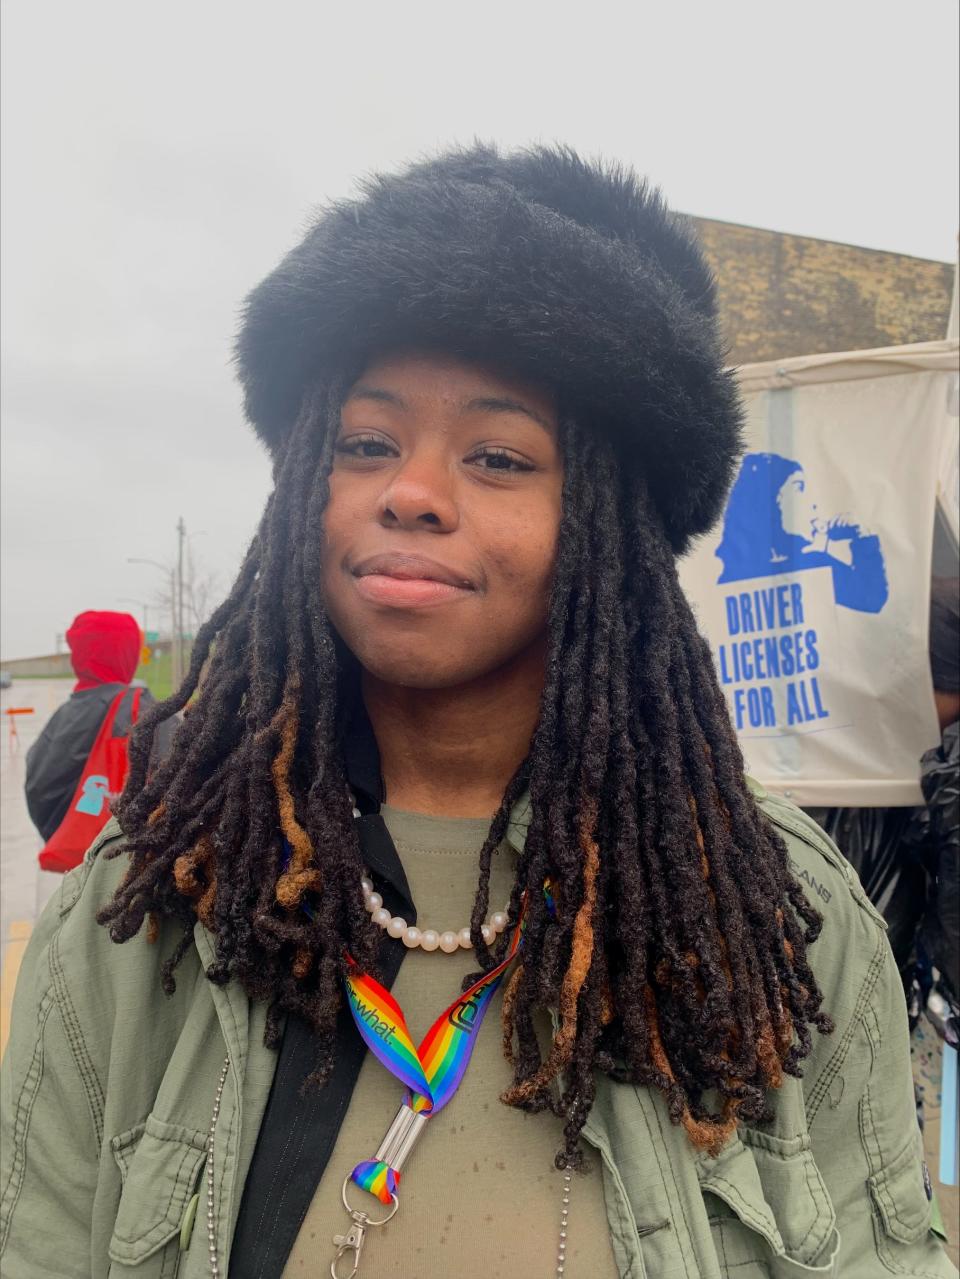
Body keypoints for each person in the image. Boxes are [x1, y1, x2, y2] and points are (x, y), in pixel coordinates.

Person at [1, 145, 953, 1278]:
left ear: (612, 532)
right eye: (366, 443)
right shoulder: (146, 899)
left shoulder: (777, 912)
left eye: (498, 455)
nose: (409, 491)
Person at [25, 612, 175, 871]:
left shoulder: (62, 715)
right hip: (130, 869)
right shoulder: (144, 711)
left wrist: (70, 835)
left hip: (77, 865)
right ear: (125, 653)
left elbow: (38, 789)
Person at [716, 450, 889, 613]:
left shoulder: (811, 561)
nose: (813, 503)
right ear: (769, 501)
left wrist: (862, 537)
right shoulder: (731, 573)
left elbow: (872, 597)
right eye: (799, 488)